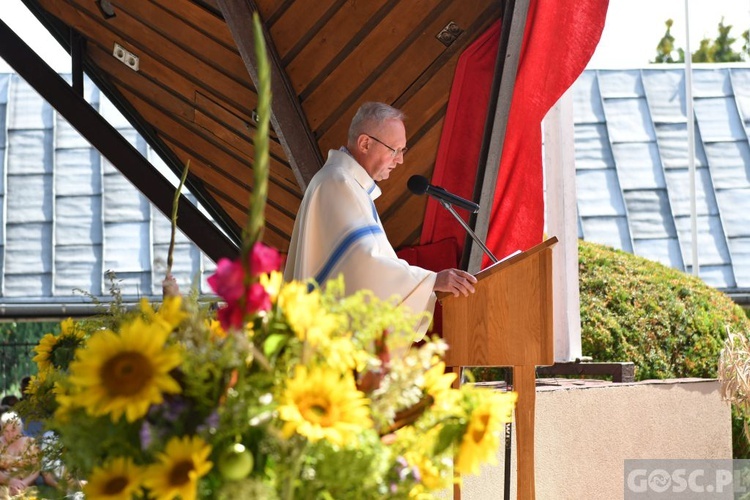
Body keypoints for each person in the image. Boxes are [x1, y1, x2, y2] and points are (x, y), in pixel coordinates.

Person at [284, 102, 476, 339]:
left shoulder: (346, 185)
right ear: (365, 143)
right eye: (394, 150)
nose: (400, 160)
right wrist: (432, 280)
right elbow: (361, 266)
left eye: (402, 151)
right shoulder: (337, 183)